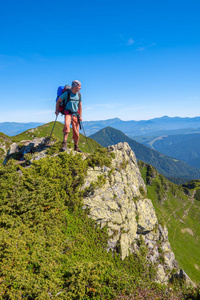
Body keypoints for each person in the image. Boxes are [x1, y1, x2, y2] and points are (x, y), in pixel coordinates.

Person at [55, 80, 82, 152]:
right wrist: (56, 110)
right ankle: (64, 144)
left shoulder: (79, 94)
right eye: (79, 86)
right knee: (67, 126)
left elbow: (80, 106)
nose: (80, 88)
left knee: (76, 131)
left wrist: (81, 116)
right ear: (75, 86)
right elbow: (58, 101)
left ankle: (76, 147)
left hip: (76, 114)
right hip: (68, 113)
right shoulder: (67, 93)